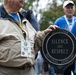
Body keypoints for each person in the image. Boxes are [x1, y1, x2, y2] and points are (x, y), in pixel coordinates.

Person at [0, 0, 59, 75]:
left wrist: (44, 33)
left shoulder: (25, 20)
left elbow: (34, 42)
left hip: (28, 70)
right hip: (6, 71)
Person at [54, 0, 76, 75]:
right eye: (68, 7)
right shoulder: (58, 21)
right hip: (65, 55)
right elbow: (54, 38)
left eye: (71, 7)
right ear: (64, 9)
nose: (70, 9)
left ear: (74, 9)